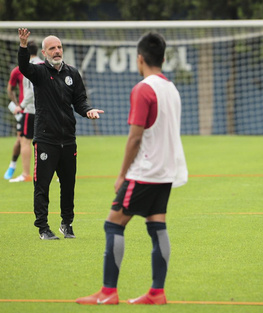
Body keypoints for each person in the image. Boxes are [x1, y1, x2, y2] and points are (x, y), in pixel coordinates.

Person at [75, 31, 188, 305]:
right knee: (157, 224)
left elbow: (135, 137)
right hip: (166, 172)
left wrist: (122, 174)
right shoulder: (171, 89)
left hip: (145, 172)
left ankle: (108, 292)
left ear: (140, 59)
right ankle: (156, 293)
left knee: (113, 224)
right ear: (162, 58)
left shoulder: (142, 89)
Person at [17, 28, 104, 240]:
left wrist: (88, 111)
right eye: (52, 48)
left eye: (59, 47)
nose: (57, 51)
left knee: (68, 185)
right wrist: (23, 46)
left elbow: (80, 101)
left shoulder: (72, 74)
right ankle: (43, 228)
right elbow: (23, 67)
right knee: (42, 185)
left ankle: (67, 223)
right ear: (45, 53)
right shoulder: (38, 73)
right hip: (46, 140)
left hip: (68, 141)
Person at [10, 41, 41, 183]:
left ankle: (26, 174)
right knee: (50, 141)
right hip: (45, 110)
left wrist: (21, 106)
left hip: (31, 110)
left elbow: (31, 90)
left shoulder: (29, 67)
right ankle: (59, 174)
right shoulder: (45, 64)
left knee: (25, 141)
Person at [4, 65, 24, 179]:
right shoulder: (17, 71)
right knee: (20, 140)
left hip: (40, 110)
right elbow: (10, 89)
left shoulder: (41, 66)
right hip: (24, 111)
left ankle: (57, 171)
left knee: (48, 141)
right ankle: (12, 166)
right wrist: (17, 105)